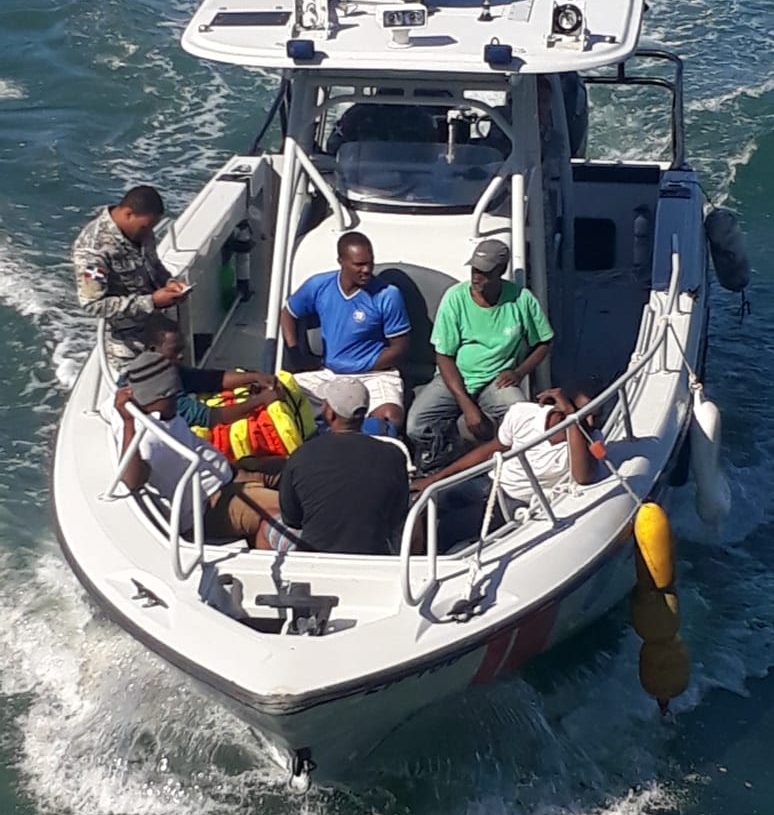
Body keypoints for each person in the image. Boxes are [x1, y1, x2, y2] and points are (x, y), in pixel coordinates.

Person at [406, 237, 554, 471]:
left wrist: (519, 372)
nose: (476, 277)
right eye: (474, 270)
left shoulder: (521, 299)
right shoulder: (455, 298)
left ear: (500, 272)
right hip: (455, 377)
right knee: (416, 425)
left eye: (484, 273)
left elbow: (544, 341)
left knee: (522, 416)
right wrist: (467, 404)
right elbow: (443, 356)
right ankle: (445, 456)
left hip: (497, 381)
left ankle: (506, 467)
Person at [112, 351, 285, 549]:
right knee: (289, 509)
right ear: (164, 394)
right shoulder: (146, 437)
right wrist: (128, 423)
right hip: (210, 505)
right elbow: (131, 480)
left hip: (229, 474)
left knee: (296, 468)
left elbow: (209, 379)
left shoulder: (167, 411)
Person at [411, 388, 597, 548]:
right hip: (491, 482)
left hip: (514, 503)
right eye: (586, 414)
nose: (591, 422)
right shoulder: (523, 413)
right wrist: (435, 479)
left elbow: (582, 477)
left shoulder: (586, 442)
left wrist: (573, 420)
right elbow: (491, 450)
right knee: (421, 505)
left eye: (593, 416)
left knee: (446, 529)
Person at [280, 231, 410, 430]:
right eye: (359, 265)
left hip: (374, 375)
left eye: (370, 263)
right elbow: (288, 313)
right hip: (328, 374)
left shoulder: (388, 295)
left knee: (388, 417)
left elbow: (400, 348)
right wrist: (295, 353)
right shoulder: (319, 285)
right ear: (341, 261)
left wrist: (357, 365)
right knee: (281, 399)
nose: (366, 270)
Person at [269, 377, 410, 554]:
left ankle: (281, 580)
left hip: (314, 554)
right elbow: (397, 515)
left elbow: (291, 519)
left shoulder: (301, 455)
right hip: (375, 554)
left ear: (330, 413)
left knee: (264, 526)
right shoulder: (394, 454)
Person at [73, 185, 189, 370]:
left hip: (161, 333)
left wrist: (169, 282)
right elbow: (92, 304)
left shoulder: (141, 230)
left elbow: (154, 265)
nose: (148, 233)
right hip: (129, 344)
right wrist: (151, 301)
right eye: (145, 227)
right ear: (128, 214)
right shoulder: (94, 249)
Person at [143, 313, 279, 429]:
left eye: (181, 350)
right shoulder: (158, 388)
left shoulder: (163, 369)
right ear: (153, 349)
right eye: (175, 351)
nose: (181, 356)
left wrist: (254, 377)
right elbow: (209, 417)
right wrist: (260, 400)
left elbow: (210, 379)